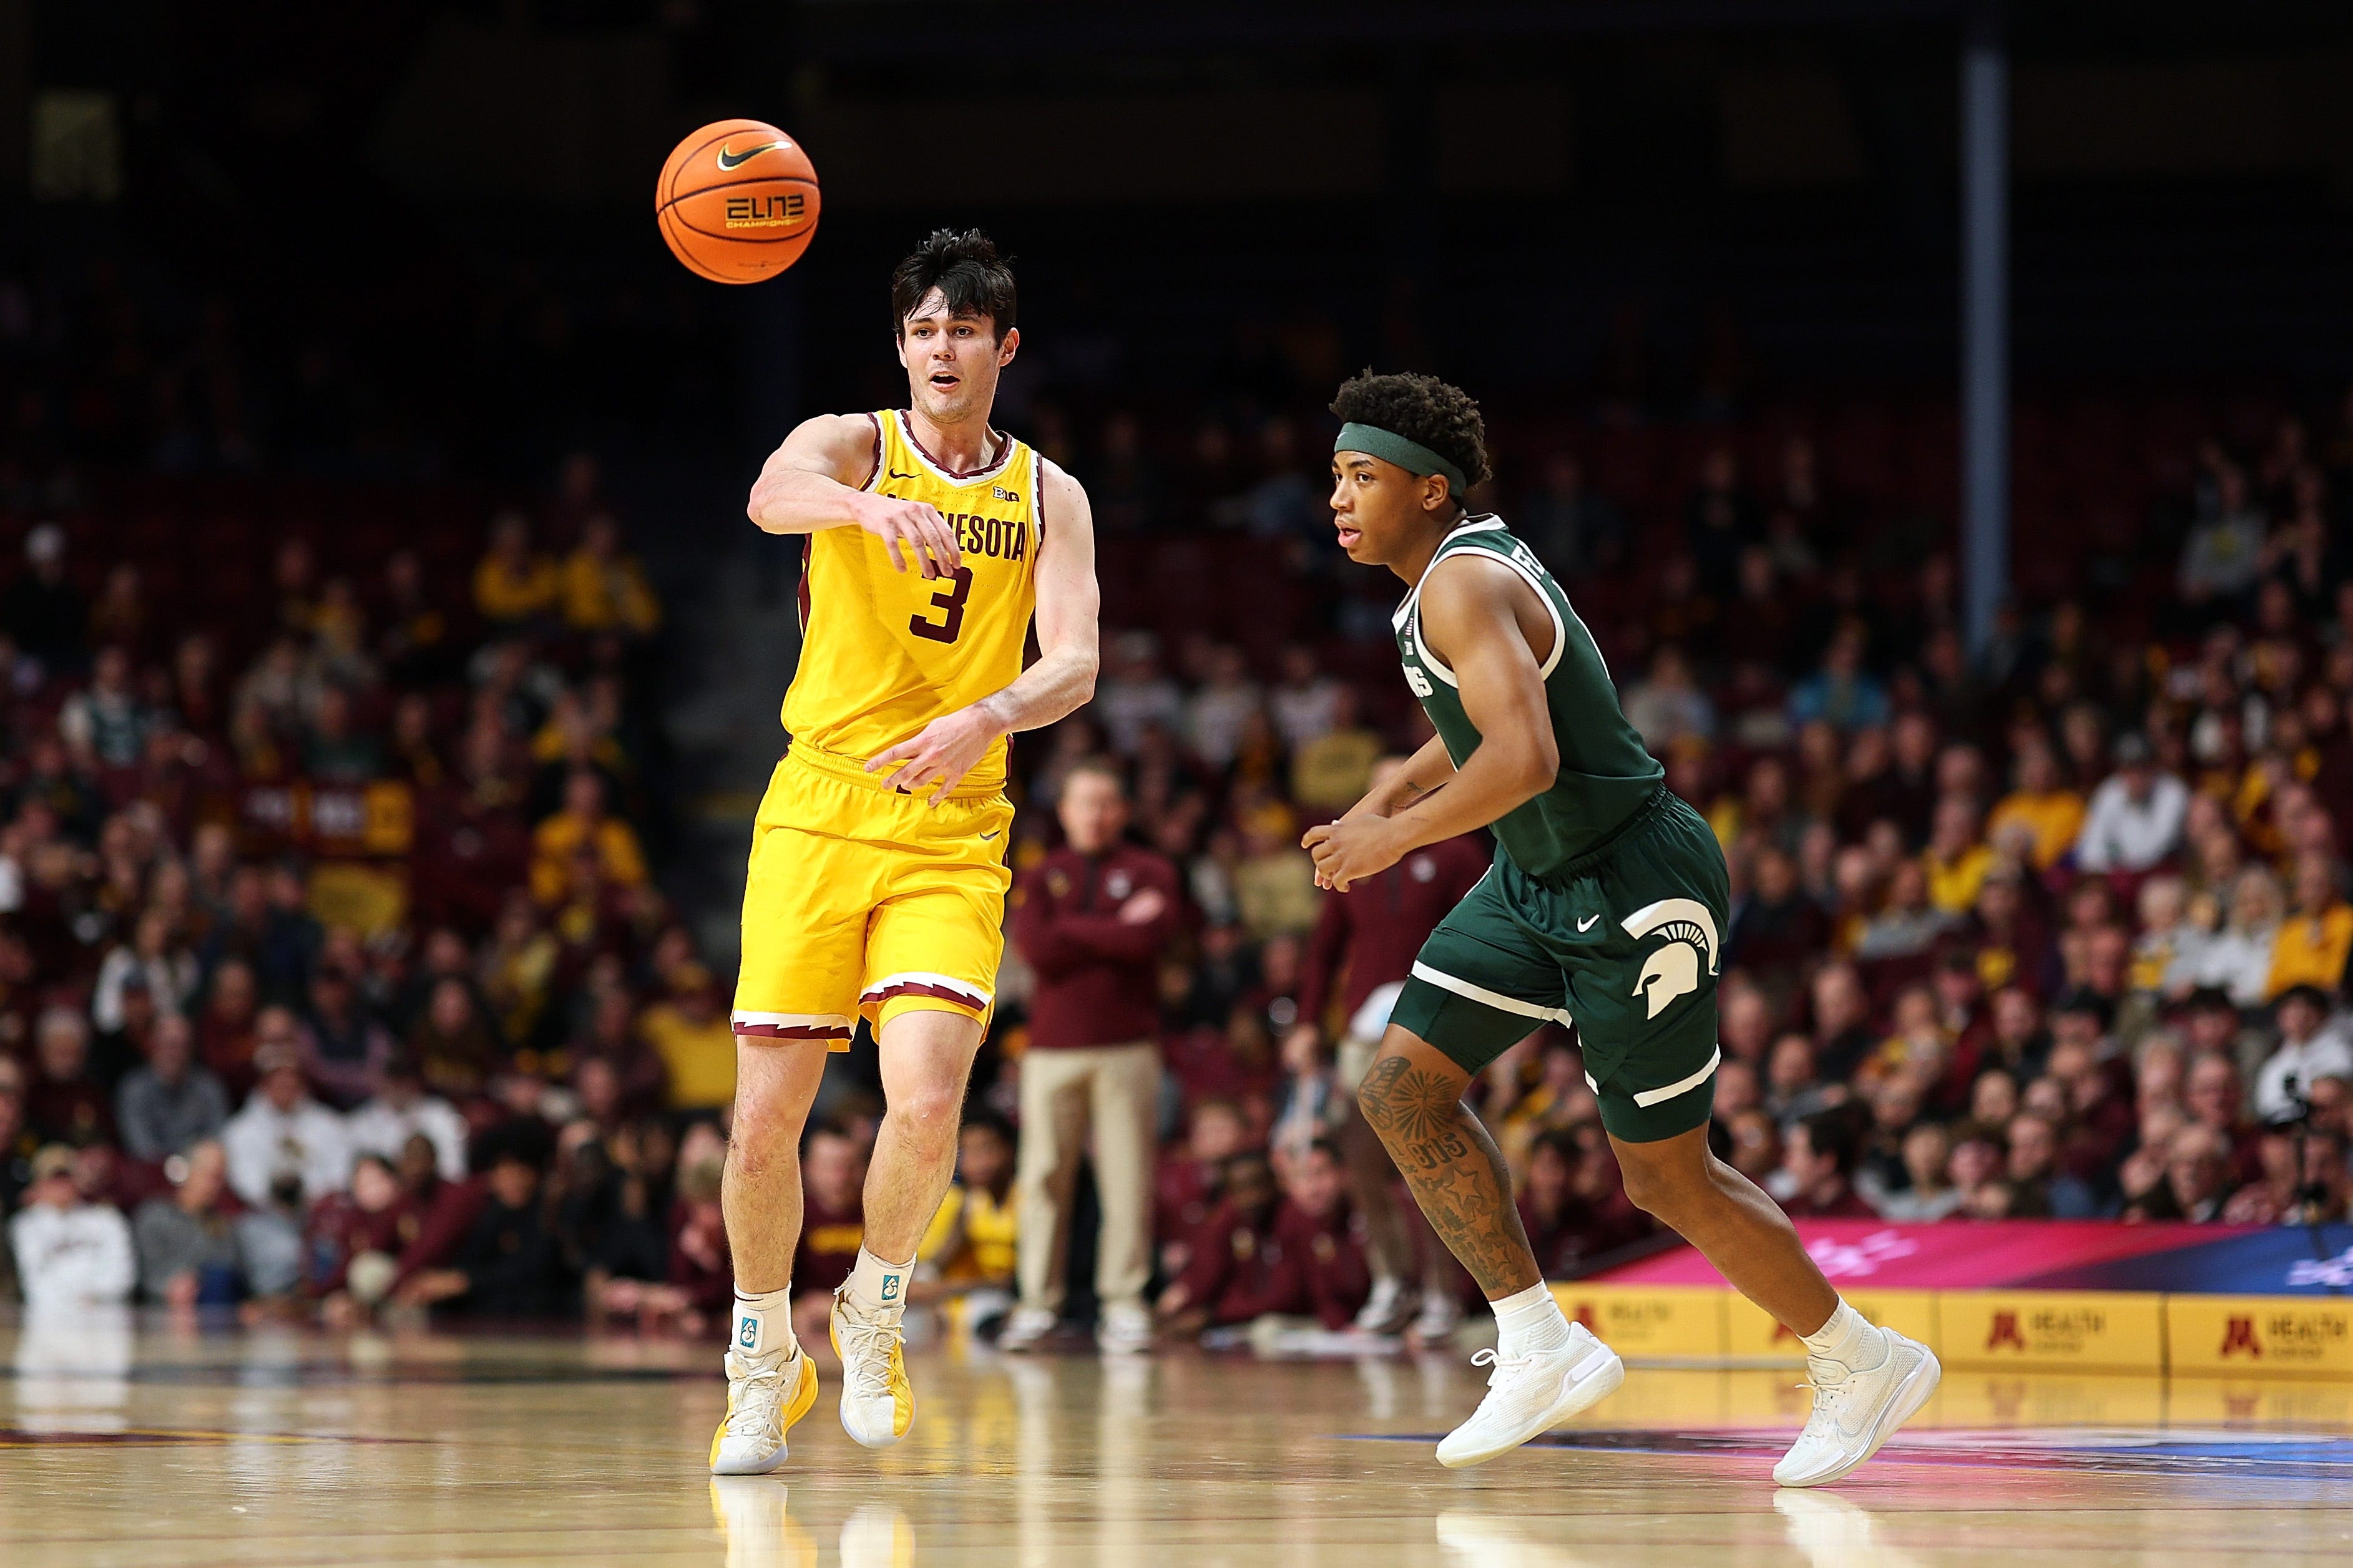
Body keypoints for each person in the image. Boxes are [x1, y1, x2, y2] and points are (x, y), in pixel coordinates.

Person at [1308, 371, 1937, 1486]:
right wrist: (1385, 799)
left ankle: (1860, 1358)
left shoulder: (1461, 583)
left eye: (1363, 476)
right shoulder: (1448, 575)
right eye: (1338, 475)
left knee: (1667, 1177)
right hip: (1536, 876)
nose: (1339, 498)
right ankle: (1539, 1340)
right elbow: (1480, 722)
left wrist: (1394, 842)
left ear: (1432, 488)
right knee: (1399, 1091)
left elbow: (1527, 757)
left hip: (1635, 881)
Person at [712, 228, 1100, 1476]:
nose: (942, 347)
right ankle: (763, 1353)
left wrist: (989, 711)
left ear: (1004, 346)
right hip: (821, 804)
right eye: (923, 327)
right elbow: (772, 494)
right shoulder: (853, 443)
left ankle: (872, 1307)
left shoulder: (1049, 493)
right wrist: (868, 509)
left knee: (927, 1098)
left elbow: (1076, 661)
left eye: (965, 328)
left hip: (952, 816)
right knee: (765, 1124)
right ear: (901, 344)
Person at [1287, 754, 1490, 1338]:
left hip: (1436, 1025)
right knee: (1367, 1164)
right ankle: (1393, 1282)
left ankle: (1442, 1291)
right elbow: (1325, 949)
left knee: (1433, 1162)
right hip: (1363, 1032)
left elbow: (1483, 938)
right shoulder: (1354, 858)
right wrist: (1306, 1023)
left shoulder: (1456, 854)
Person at [999, 758, 1179, 1355]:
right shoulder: (1041, 872)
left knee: (1127, 1175)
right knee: (1043, 1175)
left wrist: (1075, 930)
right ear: (1065, 811)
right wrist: (1107, 929)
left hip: (1128, 1048)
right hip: (1050, 1050)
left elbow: (1148, 940)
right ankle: (1036, 1303)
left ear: (1122, 811)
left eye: (1106, 803)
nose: (1096, 815)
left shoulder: (1153, 869)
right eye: (1084, 803)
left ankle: (1125, 1302)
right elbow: (1038, 949)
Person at [10, 1144, 135, 1309]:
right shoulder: (26, 1225)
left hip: (105, 1313)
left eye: (67, 1177)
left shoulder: (107, 1219)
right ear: (39, 1183)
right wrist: (75, 1300)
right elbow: (36, 1285)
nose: (62, 1185)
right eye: (54, 1178)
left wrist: (91, 1297)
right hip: (50, 1316)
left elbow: (123, 1276)